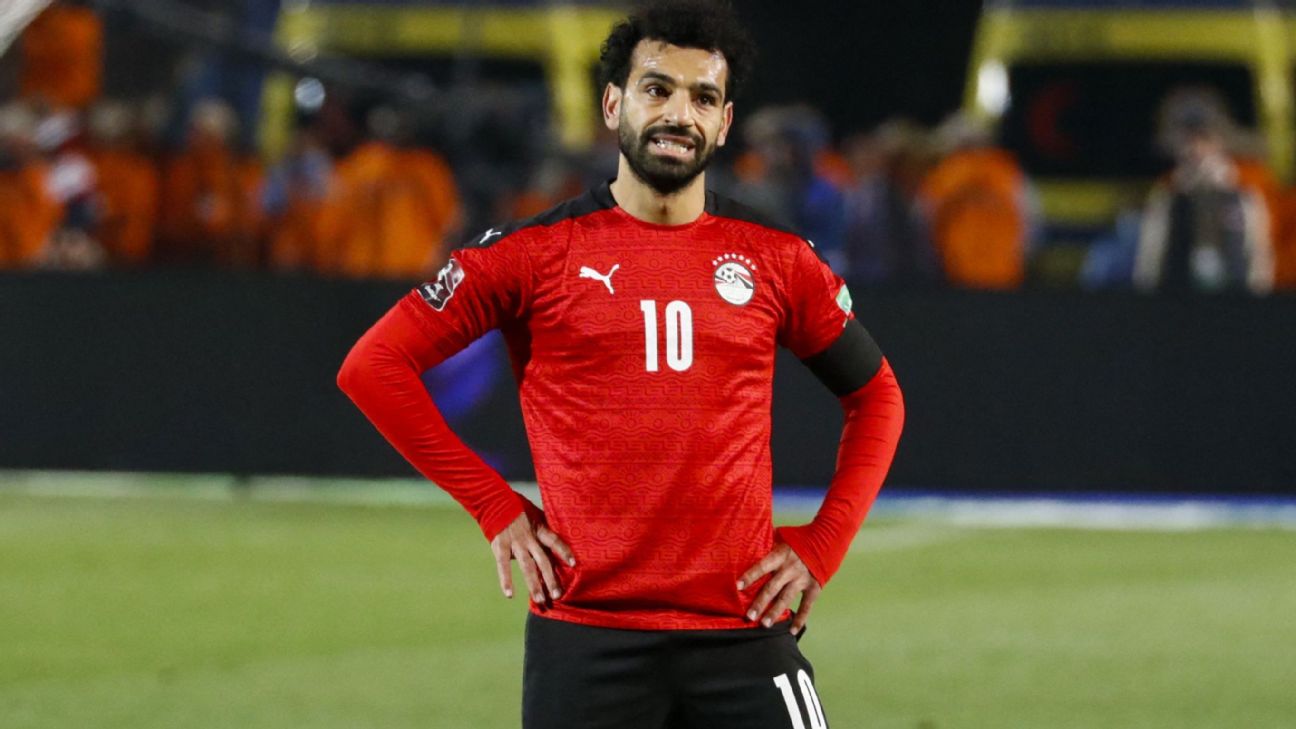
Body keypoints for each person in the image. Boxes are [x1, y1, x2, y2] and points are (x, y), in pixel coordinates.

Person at [337, 2, 904, 727]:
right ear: (614, 104)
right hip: (586, 638)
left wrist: (822, 546)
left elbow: (878, 397)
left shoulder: (777, 258)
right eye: (656, 89)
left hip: (741, 631)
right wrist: (495, 506)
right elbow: (373, 366)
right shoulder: (530, 254)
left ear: (725, 124)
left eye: (703, 98)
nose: (679, 113)